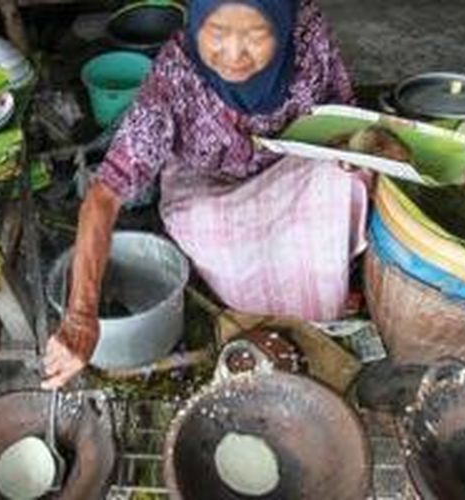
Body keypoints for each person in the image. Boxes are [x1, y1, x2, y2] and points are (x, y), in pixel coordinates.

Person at [42, 0, 370, 389]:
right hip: (209, 186)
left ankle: (319, 306)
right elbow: (105, 193)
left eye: (254, 36)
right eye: (216, 33)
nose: (232, 56)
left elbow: (345, 111)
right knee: (212, 231)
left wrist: (360, 146)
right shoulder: (174, 75)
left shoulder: (308, 34)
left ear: (282, 26)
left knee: (346, 179)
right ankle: (286, 294)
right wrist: (81, 315)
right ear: (196, 23)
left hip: (288, 170)